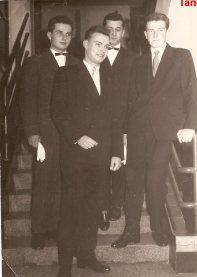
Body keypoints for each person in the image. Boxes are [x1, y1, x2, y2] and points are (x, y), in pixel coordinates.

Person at [111, 12, 197, 249]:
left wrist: (190, 125)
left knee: (155, 182)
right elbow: (131, 100)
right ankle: (131, 232)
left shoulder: (181, 56)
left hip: (165, 131)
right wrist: (125, 134)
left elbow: (192, 93)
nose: (155, 34)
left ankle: (159, 229)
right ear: (145, 35)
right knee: (133, 181)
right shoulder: (137, 62)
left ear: (166, 31)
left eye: (160, 29)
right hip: (138, 130)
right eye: (151, 30)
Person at [50, 25, 123, 277]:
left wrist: (116, 152)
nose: (102, 49)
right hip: (75, 155)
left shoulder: (111, 77)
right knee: (70, 210)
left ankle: (86, 256)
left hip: (101, 157)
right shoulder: (67, 73)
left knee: (93, 208)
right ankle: (64, 266)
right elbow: (57, 113)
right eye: (97, 44)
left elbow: (116, 119)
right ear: (85, 44)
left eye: (106, 45)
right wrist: (77, 137)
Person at [20, 15, 79, 250]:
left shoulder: (77, 62)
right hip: (46, 133)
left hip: (71, 134)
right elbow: (27, 98)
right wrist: (32, 131)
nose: (63, 37)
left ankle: (56, 227)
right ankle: (39, 230)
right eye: (59, 32)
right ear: (49, 35)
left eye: (67, 33)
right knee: (45, 181)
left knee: (66, 182)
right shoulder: (35, 62)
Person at [100, 12, 138, 226]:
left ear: (122, 32)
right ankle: (102, 209)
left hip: (123, 124)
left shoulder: (134, 59)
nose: (112, 34)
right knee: (100, 169)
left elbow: (136, 95)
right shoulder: (93, 54)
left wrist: (127, 128)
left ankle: (116, 205)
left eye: (117, 29)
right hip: (99, 125)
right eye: (108, 29)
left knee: (120, 168)